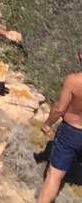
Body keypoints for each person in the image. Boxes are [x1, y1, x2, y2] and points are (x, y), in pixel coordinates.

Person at [38, 54, 82, 203]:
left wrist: (47, 124)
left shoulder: (74, 80)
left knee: (54, 176)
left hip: (72, 132)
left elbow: (59, 108)